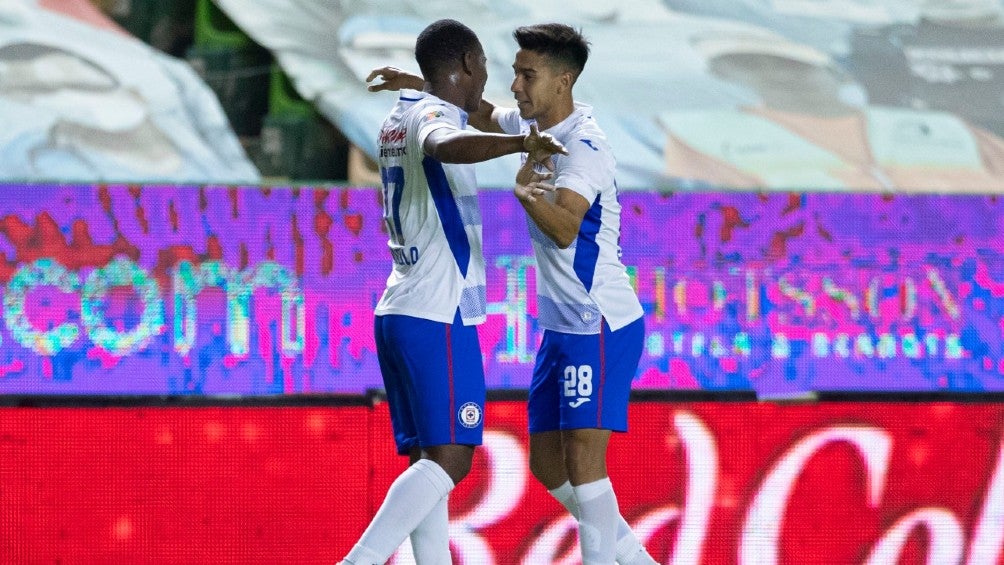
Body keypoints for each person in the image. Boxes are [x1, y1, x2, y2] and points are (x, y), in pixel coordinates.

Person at [367, 22, 656, 565]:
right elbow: (476, 113)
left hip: (599, 321)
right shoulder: (532, 122)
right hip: (561, 327)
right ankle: (637, 559)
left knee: (584, 463)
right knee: (548, 466)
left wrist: (526, 195)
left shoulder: (583, 145)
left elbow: (567, 225)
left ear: (563, 81)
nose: (517, 86)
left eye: (528, 75)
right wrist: (422, 79)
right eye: (516, 72)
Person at [339, 19, 565, 565]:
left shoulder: (400, 115)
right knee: (454, 460)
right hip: (435, 313)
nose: (489, 76)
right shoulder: (433, 118)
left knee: (429, 460)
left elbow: (445, 120)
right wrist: (518, 142)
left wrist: (413, 83)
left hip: (401, 309)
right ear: (465, 64)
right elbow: (447, 143)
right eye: (484, 64)